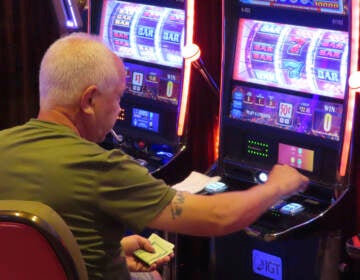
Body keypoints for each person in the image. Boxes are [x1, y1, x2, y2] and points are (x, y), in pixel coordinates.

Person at [0, 32, 309, 279]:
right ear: (89, 100)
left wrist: (113, 250)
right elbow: (218, 217)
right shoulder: (101, 168)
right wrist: (277, 186)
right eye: (118, 97)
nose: (120, 110)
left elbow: (24, 244)